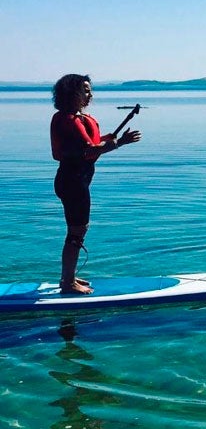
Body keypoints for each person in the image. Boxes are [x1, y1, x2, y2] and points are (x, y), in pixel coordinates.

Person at [51, 74, 141, 294]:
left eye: (90, 90)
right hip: (73, 182)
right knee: (76, 231)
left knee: (78, 230)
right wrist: (120, 143)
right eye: (85, 90)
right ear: (71, 93)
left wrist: (111, 138)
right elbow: (89, 151)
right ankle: (67, 283)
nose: (90, 94)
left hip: (75, 181)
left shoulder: (77, 118)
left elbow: (93, 142)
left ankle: (69, 276)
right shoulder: (68, 120)